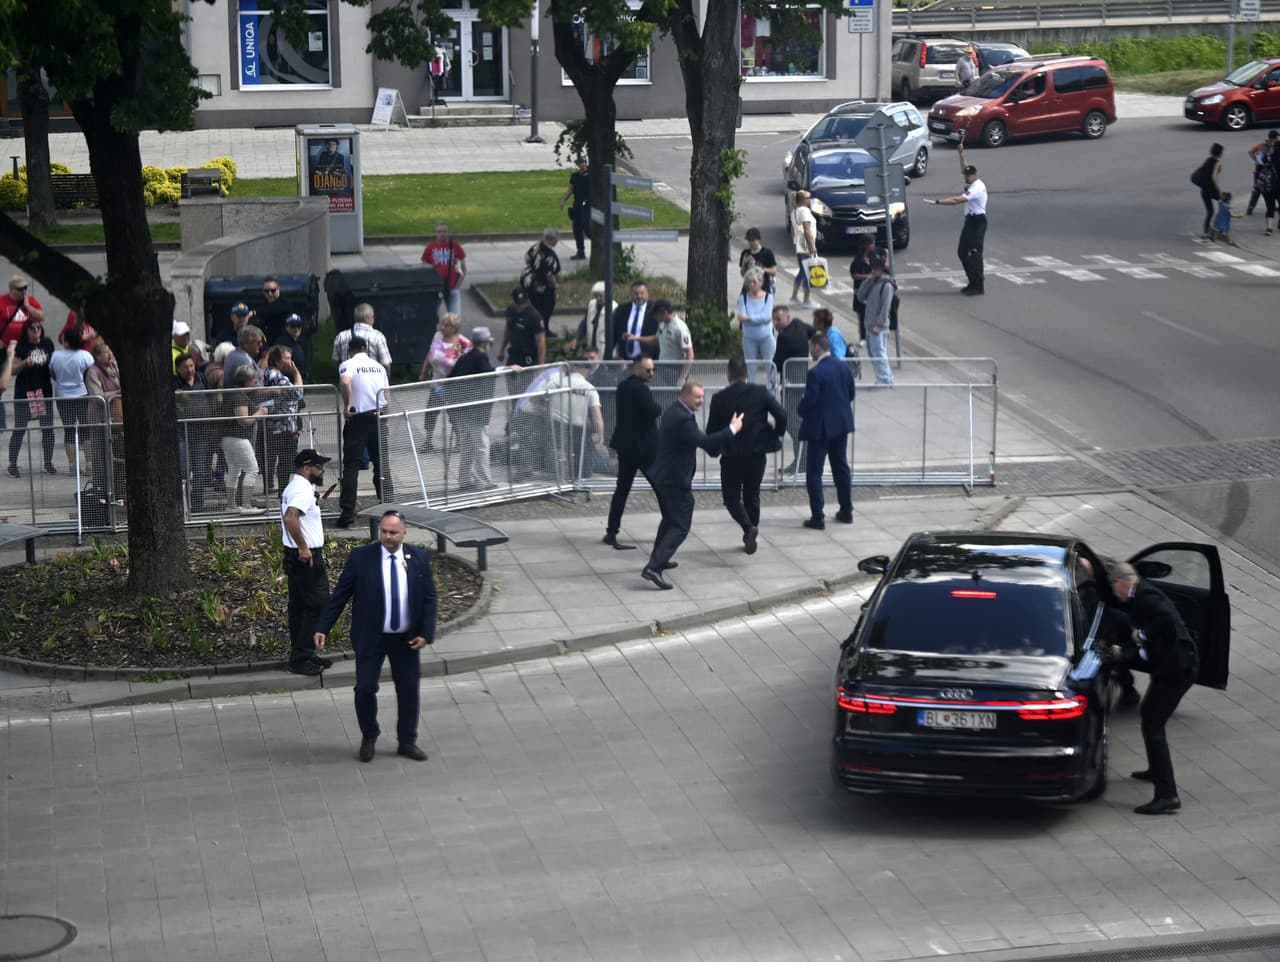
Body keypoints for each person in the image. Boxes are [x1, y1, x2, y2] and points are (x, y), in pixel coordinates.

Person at [315, 509, 436, 764]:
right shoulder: (362, 558)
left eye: (393, 532)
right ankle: (369, 735)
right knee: (366, 688)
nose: (388, 537)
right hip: (371, 636)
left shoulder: (418, 558)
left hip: (406, 639)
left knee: (408, 690)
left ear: (404, 533)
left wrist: (426, 633)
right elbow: (341, 595)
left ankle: (407, 741)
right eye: (384, 531)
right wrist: (323, 627)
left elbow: (429, 598)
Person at [1107, 561, 1200, 815]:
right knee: (1149, 716)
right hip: (1168, 668)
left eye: (1114, 589)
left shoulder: (1146, 597)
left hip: (1177, 670)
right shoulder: (1140, 596)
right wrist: (1124, 651)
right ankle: (1155, 770)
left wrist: (1143, 635)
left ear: (1121, 583)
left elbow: (1167, 621)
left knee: (1152, 724)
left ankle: (1167, 794)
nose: (1116, 595)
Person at [642, 382, 742, 590]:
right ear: (686, 396)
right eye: (697, 397)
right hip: (674, 480)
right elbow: (705, 442)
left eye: (703, 397)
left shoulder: (675, 410)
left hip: (666, 476)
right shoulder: (682, 420)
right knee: (680, 525)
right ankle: (654, 567)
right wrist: (732, 429)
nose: (701, 401)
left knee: (669, 520)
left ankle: (659, 558)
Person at [707, 356, 786, 555]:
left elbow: (711, 431)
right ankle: (752, 529)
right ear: (747, 374)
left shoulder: (719, 399)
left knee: (731, 498)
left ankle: (747, 527)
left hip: (732, 455)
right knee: (752, 495)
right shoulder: (760, 393)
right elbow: (782, 415)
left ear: (728, 374)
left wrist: (714, 448)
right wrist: (774, 434)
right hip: (756, 453)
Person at [281, 449, 335, 676]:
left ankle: (303, 653)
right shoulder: (301, 490)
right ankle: (301, 658)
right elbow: (290, 518)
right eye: (318, 466)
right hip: (306, 557)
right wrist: (304, 548)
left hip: (296, 555)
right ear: (306, 468)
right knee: (318, 605)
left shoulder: (298, 487)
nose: (322, 470)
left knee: (301, 607)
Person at [797, 332, 855, 530]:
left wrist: (800, 407)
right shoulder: (844, 367)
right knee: (841, 466)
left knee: (814, 471)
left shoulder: (815, 373)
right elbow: (851, 393)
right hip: (841, 424)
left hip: (820, 428)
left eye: (811, 348)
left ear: (817, 347)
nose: (810, 352)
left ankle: (818, 516)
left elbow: (810, 401)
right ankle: (846, 510)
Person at [604, 355, 660, 550]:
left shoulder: (623, 386)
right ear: (636, 369)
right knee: (660, 487)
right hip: (643, 450)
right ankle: (671, 524)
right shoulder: (640, 390)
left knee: (622, 490)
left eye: (652, 370)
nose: (651, 374)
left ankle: (612, 531)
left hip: (626, 447)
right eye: (648, 370)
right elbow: (653, 410)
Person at [336, 335, 390, 528]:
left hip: (357, 418)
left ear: (350, 350)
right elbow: (386, 394)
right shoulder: (378, 366)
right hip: (378, 416)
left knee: (351, 466)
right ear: (366, 348)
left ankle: (348, 514)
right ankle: (389, 507)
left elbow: (345, 381)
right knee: (382, 465)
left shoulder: (347, 364)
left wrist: (347, 405)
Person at [924, 144, 988, 295]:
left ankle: (978, 285)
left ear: (973, 175)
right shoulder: (972, 181)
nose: (965, 178)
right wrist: (961, 154)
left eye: (967, 176)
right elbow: (965, 166)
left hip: (978, 222)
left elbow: (956, 201)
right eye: (964, 175)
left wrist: (937, 202)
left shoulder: (977, 188)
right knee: (962, 252)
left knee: (974, 253)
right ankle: (971, 280)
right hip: (970, 222)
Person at [446, 327, 503, 491]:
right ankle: (483, 481)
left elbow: (450, 379)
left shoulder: (464, 358)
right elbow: (488, 374)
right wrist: (506, 368)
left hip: (460, 410)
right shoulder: (480, 357)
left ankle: (464, 480)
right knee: (481, 446)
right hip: (475, 412)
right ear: (486, 344)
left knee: (467, 446)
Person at [7, 318, 56, 477]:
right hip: (25, 392)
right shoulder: (21, 347)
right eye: (32, 328)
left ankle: (48, 462)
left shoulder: (47, 344)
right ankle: (12, 463)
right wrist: (24, 363)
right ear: (26, 330)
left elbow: (53, 366)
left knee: (48, 429)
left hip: (44, 392)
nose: (36, 330)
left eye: (38, 327)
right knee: (20, 429)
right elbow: (13, 370)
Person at [416, 312, 471, 453]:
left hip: (453, 386)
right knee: (431, 413)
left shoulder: (462, 343)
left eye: (447, 325)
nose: (443, 327)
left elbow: (467, 364)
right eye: (442, 324)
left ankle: (460, 442)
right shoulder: (438, 337)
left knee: (455, 414)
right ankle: (428, 441)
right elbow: (430, 354)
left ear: (455, 328)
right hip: (437, 385)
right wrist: (424, 372)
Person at [222, 364, 269, 515]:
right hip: (239, 438)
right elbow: (243, 420)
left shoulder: (233, 393)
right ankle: (246, 505)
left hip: (227, 438)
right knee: (252, 469)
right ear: (246, 380)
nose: (256, 381)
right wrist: (260, 413)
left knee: (234, 470)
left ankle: (231, 505)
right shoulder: (239, 396)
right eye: (254, 379)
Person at [772, 305, 814, 473]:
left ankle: (802, 461)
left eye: (778, 319)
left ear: (787, 318)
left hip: (791, 381)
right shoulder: (799, 324)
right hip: (801, 377)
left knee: (792, 422)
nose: (775, 323)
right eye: (774, 320)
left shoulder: (785, 337)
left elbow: (778, 361)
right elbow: (813, 332)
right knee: (796, 420)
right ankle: (803, 459)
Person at [49, 326, 95, 473]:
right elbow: (90, 374)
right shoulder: (85, 356)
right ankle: (89, 465)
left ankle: (73, 466)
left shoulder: (56, 356)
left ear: (67, 341)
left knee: (68, 430)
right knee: (85, 430)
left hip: (63, 396)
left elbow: (53, 373)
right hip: (82, 394)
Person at [262, 345, 305, 494]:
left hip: (276, 423)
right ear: (277, 361)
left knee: (274, 458)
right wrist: (296, 372)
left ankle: (274, 488)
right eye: (287, 359)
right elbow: (299, 393)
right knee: (285, 460)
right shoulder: (278, 377)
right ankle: (283, 491)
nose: (290, 362)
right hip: (282, 425)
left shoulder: (267, 373)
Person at [856, 252, 896, 386]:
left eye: (876, 268)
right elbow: (860, 297)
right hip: (870, 324)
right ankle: (883, 377)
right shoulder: (873, 282)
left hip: (878, 327)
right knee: (874, 354)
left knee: (879, 354)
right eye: (873, 267)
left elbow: (885, 308)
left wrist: (879, 325)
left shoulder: (887, 285)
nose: (873, 270)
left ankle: (885, 379)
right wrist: (867, 281)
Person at [420, 221, 467, 317]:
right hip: (435, 288)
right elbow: (424, 268)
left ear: (448, 232)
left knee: (455, 318)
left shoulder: (455, 246)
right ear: (436, 233)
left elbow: (463, 268)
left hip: (452, 288)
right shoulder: (430, 247)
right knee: (432, 317)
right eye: (439, 231)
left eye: (444, 231)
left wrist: (458, 285)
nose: (442, 234)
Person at [735, 267, 775, 368]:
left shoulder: (768, 297)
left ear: (761, 282)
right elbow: (741, 317)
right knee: (750, 367)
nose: (751, 285)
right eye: (749, 282)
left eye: (754, 282)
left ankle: (771, 383)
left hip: (766, 337)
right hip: (749, 338)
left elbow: (767, 318)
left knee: (769, 365)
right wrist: (758, 319)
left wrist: (748, 318)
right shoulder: (743, 298)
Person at [521, 227, 561, 325]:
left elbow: (527, 258)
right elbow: (548, 274)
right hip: (541, 286)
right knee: (546, 308)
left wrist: (534, 267)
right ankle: (543, 329)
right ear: (553, 240)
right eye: (557, 238)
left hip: (529, 281)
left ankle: (533, 327)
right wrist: (554, 286)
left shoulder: (536, 246)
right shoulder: (550, 255)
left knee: (534, 306)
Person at [612, 280, 658, 361]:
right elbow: (614, 333)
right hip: (625, 360)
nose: (639, 296)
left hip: (648, 360)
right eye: (636, 293)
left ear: (647, 294)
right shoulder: (622, 309)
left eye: (642, 293)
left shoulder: (654, 310)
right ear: (631, 294)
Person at [566, 281, 614, 358]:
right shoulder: (592, 304)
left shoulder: (614, 308)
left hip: (605, 349)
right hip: (591, 349)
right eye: (596, 296)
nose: (598, 299)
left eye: (600, 296)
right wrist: (576, 338)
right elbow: (584, 324)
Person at [499, 288, 546, 367]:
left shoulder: (535, 316)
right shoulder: (510, 311)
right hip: (514, 354)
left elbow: (541, 342)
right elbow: (507, 331)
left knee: (527, 378)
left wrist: (541, 365)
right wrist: (502, 350)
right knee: (510, 377)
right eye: (518, 304)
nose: (521, 307)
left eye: (523, 304)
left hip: (528, 357)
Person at [789, 190, 820, 309]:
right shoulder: (805, 211)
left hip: (798, 242)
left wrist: (795, 241)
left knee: (802, 270)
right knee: (807, 272)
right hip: (806, 244)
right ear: (803, 200)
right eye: (808, 198)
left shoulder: (795, 212)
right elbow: (807, 229)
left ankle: (794, 297)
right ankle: (806, 300)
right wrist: (812, 246)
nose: (810, 199)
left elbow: (792, 230)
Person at [1190, 142, 1224, 240]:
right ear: (1219, 153)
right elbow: (1213, 177)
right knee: (1224, 206)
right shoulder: (1217, 163)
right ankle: (1220, 229)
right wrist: (1219, 190)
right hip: (1212, 189)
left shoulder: (1207, 160)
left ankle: (1206, 232)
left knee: (1210, 211)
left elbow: (1203, 171)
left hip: (1204, 190)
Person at [560, 156, 591, 260]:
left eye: (582, 162)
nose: (580, 165)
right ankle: (580, 251)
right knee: (576, 228)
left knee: (587, 228)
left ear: (585, 162)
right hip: (577, 204)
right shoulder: (575, 176)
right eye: (578, 163)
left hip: (586, 204)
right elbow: (571, 189)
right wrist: (564, 200)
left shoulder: (590, 175)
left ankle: (600, 246)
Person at [0, 275, 45, 345]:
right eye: (20, 289)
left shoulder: (31, 300)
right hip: (6, 344)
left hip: (27, 345)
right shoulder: (2, 301)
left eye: (25, 288)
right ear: (11, 289)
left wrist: (28, 306)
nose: (24, 291)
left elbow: (41, 317)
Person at [849, 235, 877, 343]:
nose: (873, 246)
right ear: (866, 246)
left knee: (872, 314)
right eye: (871, 244)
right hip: (861, 291)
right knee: (862, 315)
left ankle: (871, 335)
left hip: (872, 291)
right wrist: (867, 277)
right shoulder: (858, 260)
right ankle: (863, 337)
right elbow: (854, 275)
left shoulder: (874, 258)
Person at [1246, 130, 1277, 216]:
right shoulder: (1272, 147)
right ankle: (1271, 208)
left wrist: (1256, 160)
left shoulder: (1261, 145)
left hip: (1258, 172)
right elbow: (1251, 152)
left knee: (1257, 190)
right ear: (1274, 138)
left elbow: (1251, 152)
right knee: (1269, 189)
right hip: (1266, 173)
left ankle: (1251, 207)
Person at [738, 227, 778, 295]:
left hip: (764, 288)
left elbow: (774, 272)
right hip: (748, 288)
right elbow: (742, 274)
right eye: (749, 240)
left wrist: (759, 267)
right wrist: (744, 263)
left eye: (753, 240)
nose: (751, 242)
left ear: (758, 239)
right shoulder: (745, 253)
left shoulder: (767, 253)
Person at [273, 314, 309, 380]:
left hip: (300, 378)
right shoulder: (282, 342)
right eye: (293, 326)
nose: (297, 329)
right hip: (288, 380)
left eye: (299, 326)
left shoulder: (300, 341)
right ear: (286, 327)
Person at [256, 275, 290, 344]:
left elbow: (275, 309)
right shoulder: (262, 304)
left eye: (273, 290)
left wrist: (254, 312)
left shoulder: (285, 304)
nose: (270, 294)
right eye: (266, 291)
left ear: (278, 289)